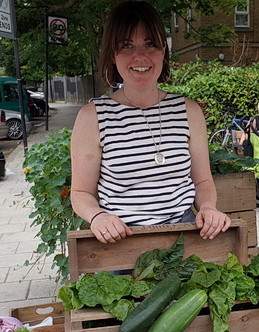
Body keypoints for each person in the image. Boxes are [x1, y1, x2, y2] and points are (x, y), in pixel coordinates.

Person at [70, 0, 231, 244]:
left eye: (150, 44)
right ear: (112, 54)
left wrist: (208, 207)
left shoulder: (189, 111)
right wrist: (98, 217)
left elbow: (202, 181)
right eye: (126, 46)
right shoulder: (92, 117)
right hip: (122, 242)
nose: (140, 56)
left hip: (185, 239)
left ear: (163, 50)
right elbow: (81, 193)